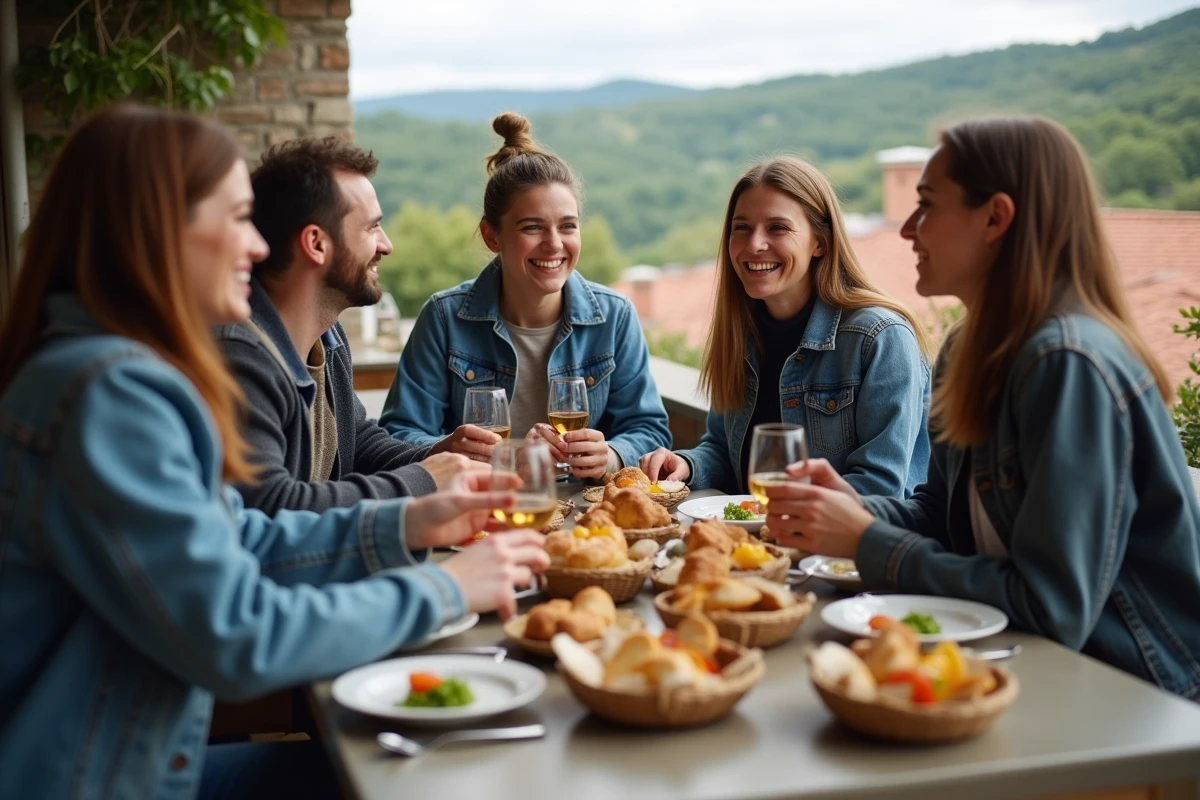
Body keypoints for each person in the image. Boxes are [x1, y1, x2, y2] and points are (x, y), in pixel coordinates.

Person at [0, 105, 550, 799]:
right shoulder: (109, 396)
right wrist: (446, 587)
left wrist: (409, 522)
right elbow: (234, 632)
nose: (257, 247)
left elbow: (236, 533)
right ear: (162, 230)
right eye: (235, 219)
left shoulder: (102, 372)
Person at [764, 117, 1200, 699]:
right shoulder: (969, 349)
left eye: (927, 206)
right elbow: (947, 521)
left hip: (1135, 693)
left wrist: (868, 542)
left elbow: (1052, 606)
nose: (908, 230)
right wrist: (855, 511)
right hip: (1030, 666)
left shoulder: (1065, 363)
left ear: (995, 218)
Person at [379, 112, 672, 479]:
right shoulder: (444, 317)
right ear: (492, 236)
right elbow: (396, 437)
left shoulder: (614, 316)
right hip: (476, 514)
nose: (554, 244)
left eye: (568, 226)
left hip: (584, 519)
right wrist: (455, 451)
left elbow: (650, 430)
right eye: (532, 227)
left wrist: (612, 455)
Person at [641, 157, 932, 498]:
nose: (754, 245)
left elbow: (881, 488)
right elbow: (724, 449)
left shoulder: (879, 338)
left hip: (847, 550)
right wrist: (686, 466)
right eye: (742, 228)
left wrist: (781, 518)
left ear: (820, 242)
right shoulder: (738, 335)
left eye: (777, 228)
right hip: (760, 545)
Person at [215, 137, 474, 516]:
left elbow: (357, 442)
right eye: (372, 228)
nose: (387, 245)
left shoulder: (328, 336)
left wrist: (441, 454)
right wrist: (426, 478)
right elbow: (272, 506)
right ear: (316, 244)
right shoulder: (240, 356)